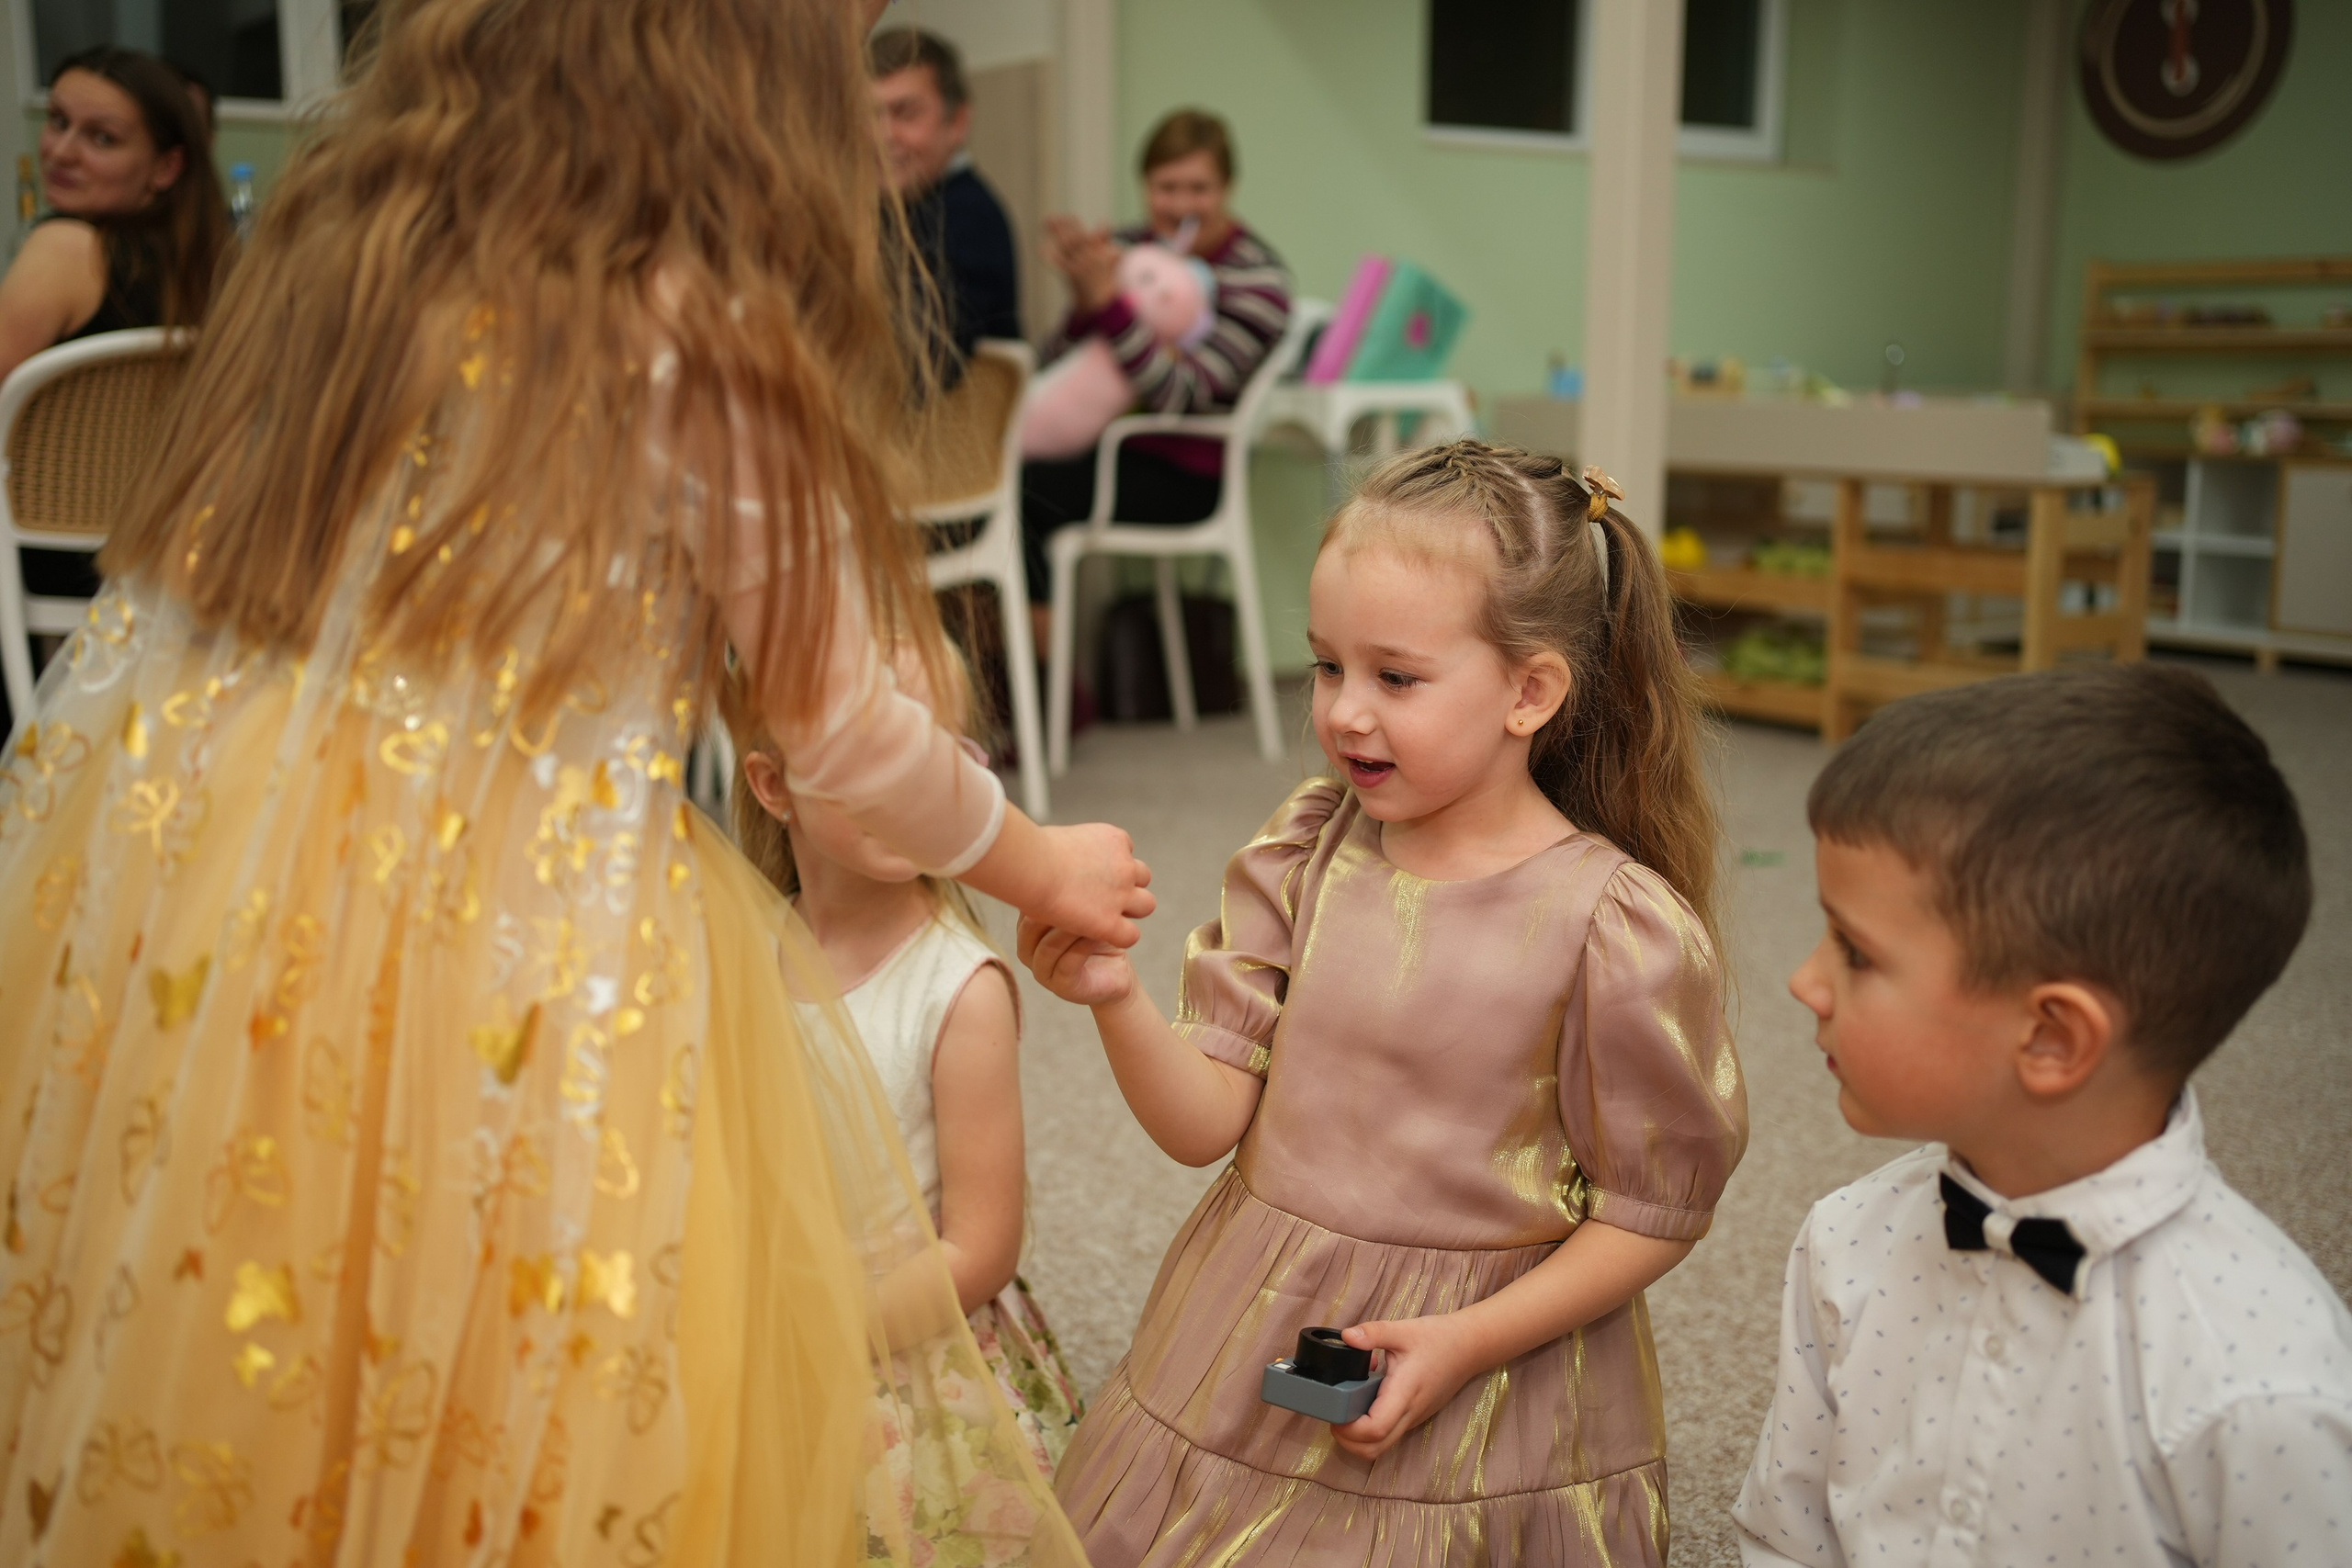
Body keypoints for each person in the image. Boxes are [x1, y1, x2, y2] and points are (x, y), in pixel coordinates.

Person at [0, 1, 1148, 1562]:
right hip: (513, 888)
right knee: (526, 1285)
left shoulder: (357, 249)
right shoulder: (704, 319)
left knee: (282, 1251)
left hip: (234, 842)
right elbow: (842, 729)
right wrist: (1039, 858)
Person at [1021, 440, 1748, 1566]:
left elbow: (1651, 1210)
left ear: (1530, 691)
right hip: (1252, 1316)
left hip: (1492, 1374)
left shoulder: (1613, 925)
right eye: (1324, 667)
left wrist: (1463, 1343)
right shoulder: (1308, 851)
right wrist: (1111, 994)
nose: (1344, 714)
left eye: (1394, 678)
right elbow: (1202, 1123)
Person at [1733, 664, 2349, 1567]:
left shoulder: (2261, 1382)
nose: (1804, 980)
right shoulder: (1846, 1241)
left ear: (2053, 1038)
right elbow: (1787, 1537)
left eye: (1856, 953)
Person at [733, 646, 1084, 1486]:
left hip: (903, 1338)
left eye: (932, 758)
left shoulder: (959, 989)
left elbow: (981, 1247)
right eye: (868, 758)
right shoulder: (745, 946)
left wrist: (820, 1335)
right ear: (773, 786)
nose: (907, 791)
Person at [1021, 108, 1291, 663]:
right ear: (1144, 185)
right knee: (995, 478)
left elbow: (1182, 394)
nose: (1181, 204)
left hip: (1189, 474)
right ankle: (1015, 679)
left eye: (1199, 188)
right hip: (1108, 449)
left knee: (1021, 492)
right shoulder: (1129, 252)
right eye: (1166, 187)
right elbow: (1051, 362)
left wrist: (1110, 307)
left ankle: (1047, 690)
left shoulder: (1256, 277)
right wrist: (1082, 302)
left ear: (1228, 188)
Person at [0, 46, 226, 384]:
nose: (60, 153)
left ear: (166, 167)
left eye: (103, 138)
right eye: (59, 121)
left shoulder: (65, 248)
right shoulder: (211, 262)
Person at [869, 27, 1020, 374]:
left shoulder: (969, 220)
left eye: (905, 113)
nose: (881, 136)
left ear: (958, 122)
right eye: (867, 114)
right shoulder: (893, 207)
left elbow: (922, 365)